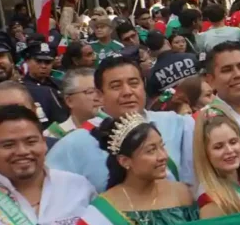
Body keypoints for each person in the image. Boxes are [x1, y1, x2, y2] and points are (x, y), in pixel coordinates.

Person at [44, 56, 195, 192]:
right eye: (116, 86)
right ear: (99, 95)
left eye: (134, 83)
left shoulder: (175, 123)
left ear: (144, 86)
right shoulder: (76, 143)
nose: (127, 92)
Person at [72, 114, 197, 225]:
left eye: (162, 146)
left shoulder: (181, 193)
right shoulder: (104, 209)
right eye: (151, 150)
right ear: (125, 161)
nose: (163, 156)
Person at [192, 111, 240, 218]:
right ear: (205, 153)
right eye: (218, 147)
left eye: (233, 142)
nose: (229, 150)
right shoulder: (211, 201)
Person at [44, 68, 102, 139]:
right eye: (90, 92)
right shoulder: (53, 136)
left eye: (100, 91)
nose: (98, 97)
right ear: (69, 101)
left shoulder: (114, 128)